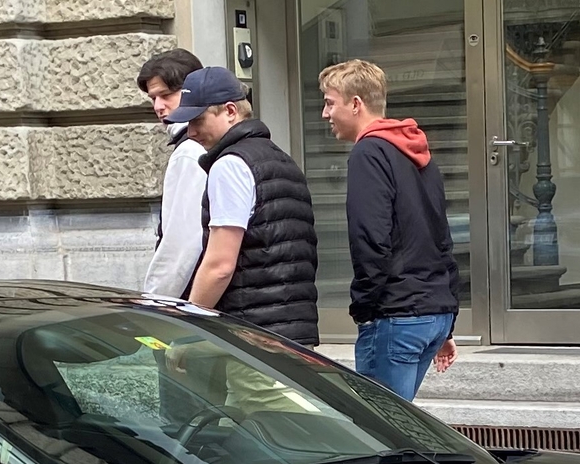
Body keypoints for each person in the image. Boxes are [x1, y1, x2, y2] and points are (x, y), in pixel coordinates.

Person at [322, 59, 460, 399]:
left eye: (329, 102)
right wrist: (446, 317)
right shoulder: (416, 151)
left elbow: (371, 239)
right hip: (432, 312)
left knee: (381, 435)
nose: (325, 114)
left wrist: (364, 309)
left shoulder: (368, 153)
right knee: (400, 427)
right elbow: (441, 236)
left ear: (356, 104)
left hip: (397, 313)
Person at [174, 66, 321, 345]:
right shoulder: (282, 160)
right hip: (295, 334)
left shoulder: (230, 165)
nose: (190, 132)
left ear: (231, 111)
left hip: (252, 337)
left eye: (198, 120)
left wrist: (188, 334)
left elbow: (220, 265)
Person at [138, 48, 207, 301]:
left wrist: (156, 300)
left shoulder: (189, 151)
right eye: (152, 98)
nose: (158, 106)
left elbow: (181, 243)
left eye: (166, 95)